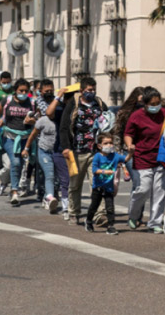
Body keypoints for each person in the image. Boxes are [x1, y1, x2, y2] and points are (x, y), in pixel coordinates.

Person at [60, 77, 107, 224]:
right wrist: (66, 147)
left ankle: (99, 213)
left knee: (97, 183)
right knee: (75, 184)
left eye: (94, 90)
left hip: (96, 152)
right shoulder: (74, 104)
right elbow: (64, 127)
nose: (92, 92)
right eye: (89, 90)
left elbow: (108, 122)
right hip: (77, 151)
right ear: (81, 91)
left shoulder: (99, 104)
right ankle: (74, 212)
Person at [124, 87, 165, 234]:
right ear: (145, 103)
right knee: (143, 189)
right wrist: (130, 145)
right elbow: (128, 134)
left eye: (158, 103)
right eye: (152, 104)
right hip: (142, 157)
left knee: (160, 192)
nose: (156, 106)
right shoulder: (136, 116)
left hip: (162, 158)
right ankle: (133, 215)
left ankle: (155, 222)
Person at [0, 79, 36, 207]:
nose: (23, 93)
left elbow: (39, 118)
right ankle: (15, 191)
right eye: (20, 91)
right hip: (9, 137)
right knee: (15, 162)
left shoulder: (32, 103)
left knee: (20, 164)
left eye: (26, 91)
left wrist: (32, 121)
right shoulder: (7, 100)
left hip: (25, 138)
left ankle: (14, 187)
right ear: (15, 91)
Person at [113, 87, 145, 223]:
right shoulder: (124, 113)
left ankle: (137, 215)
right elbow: (117, 132)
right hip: (128, 151)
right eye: (141, 99)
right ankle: (134, 216)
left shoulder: (147, 112)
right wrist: (118, 154)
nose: (143, 103)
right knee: (138, 182)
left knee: (143, 184)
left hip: (144, 151)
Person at [85, 134, 126, 236]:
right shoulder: (97, 156)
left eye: (111, 143)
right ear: (99, 146)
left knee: (110, 208)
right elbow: (94, 170)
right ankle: (89, 221)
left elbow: (125, 159)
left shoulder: (115, 156)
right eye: (106, 143)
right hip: (98, 187)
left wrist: (132, 152)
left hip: (109, 187)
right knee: (94, 206)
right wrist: (105, 171)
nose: (109, 145)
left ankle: (110, 226)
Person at [23, 103, 60, 214]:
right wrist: (26, 149)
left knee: (56, 179)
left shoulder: (61, 120)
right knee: (49, 175)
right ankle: (50, 197)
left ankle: (46, 197)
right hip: (44, 152)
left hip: (57, 153)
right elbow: (33, 135)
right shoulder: (42, 120)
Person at [47, 85, 76, 219]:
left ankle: (74, 206)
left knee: (75, 181)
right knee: (65, 180)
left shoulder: (84, 110)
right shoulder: (61, 110)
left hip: (79, 150)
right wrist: (58, 96)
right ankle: (66, 208)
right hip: (61, 149)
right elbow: (49, 113)